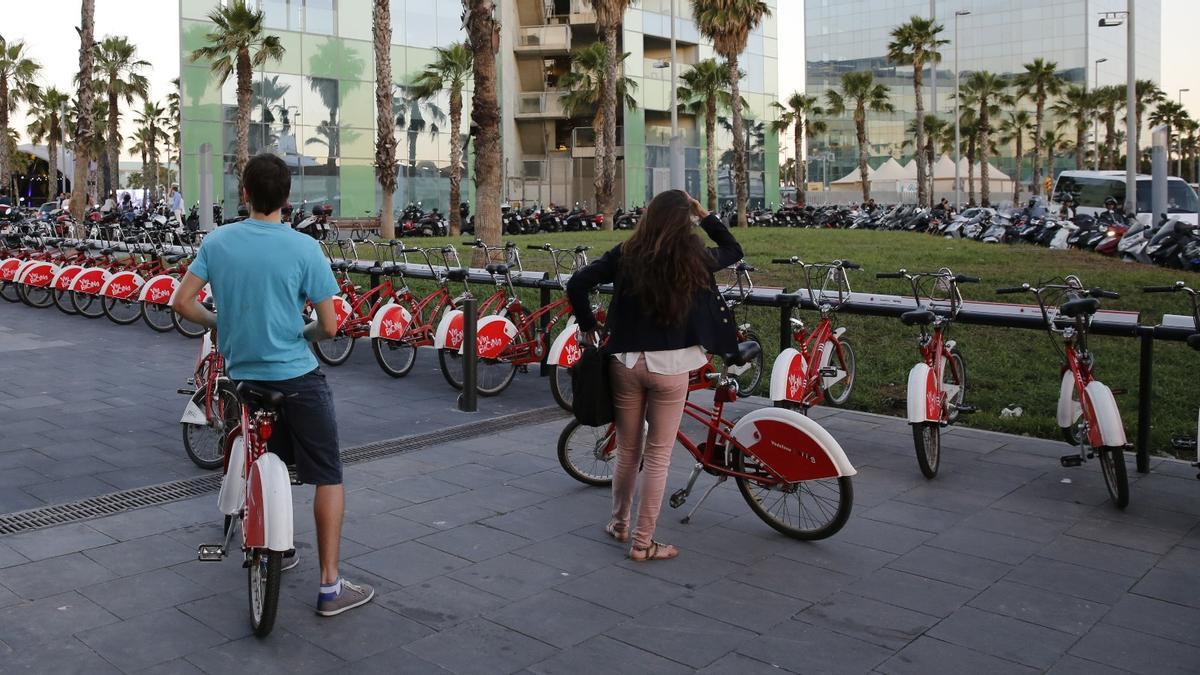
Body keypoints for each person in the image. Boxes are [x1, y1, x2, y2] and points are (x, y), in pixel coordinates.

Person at [172, 153, 374, 617]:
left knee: (264, 451)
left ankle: (273, 541)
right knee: (328, 473)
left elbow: (183, 302)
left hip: (242, 376)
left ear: (244, 194)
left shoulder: (218, 242)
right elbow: (328, 326)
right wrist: (299, 333)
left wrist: (217, 321)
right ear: (287, 199)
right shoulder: (305, 249)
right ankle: (329, 586)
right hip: (296, 377)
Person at [566, 190, 742, 562]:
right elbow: (733, 248)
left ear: (648, 217)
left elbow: (577, 283)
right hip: (673, 367)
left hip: (626, 362)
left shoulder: (627, 252)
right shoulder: (695, 256)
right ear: (686, 219)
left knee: (629, 451)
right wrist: (705, 214)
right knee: (658, 457)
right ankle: (644, 543)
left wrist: (587, 325)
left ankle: (618, 523)